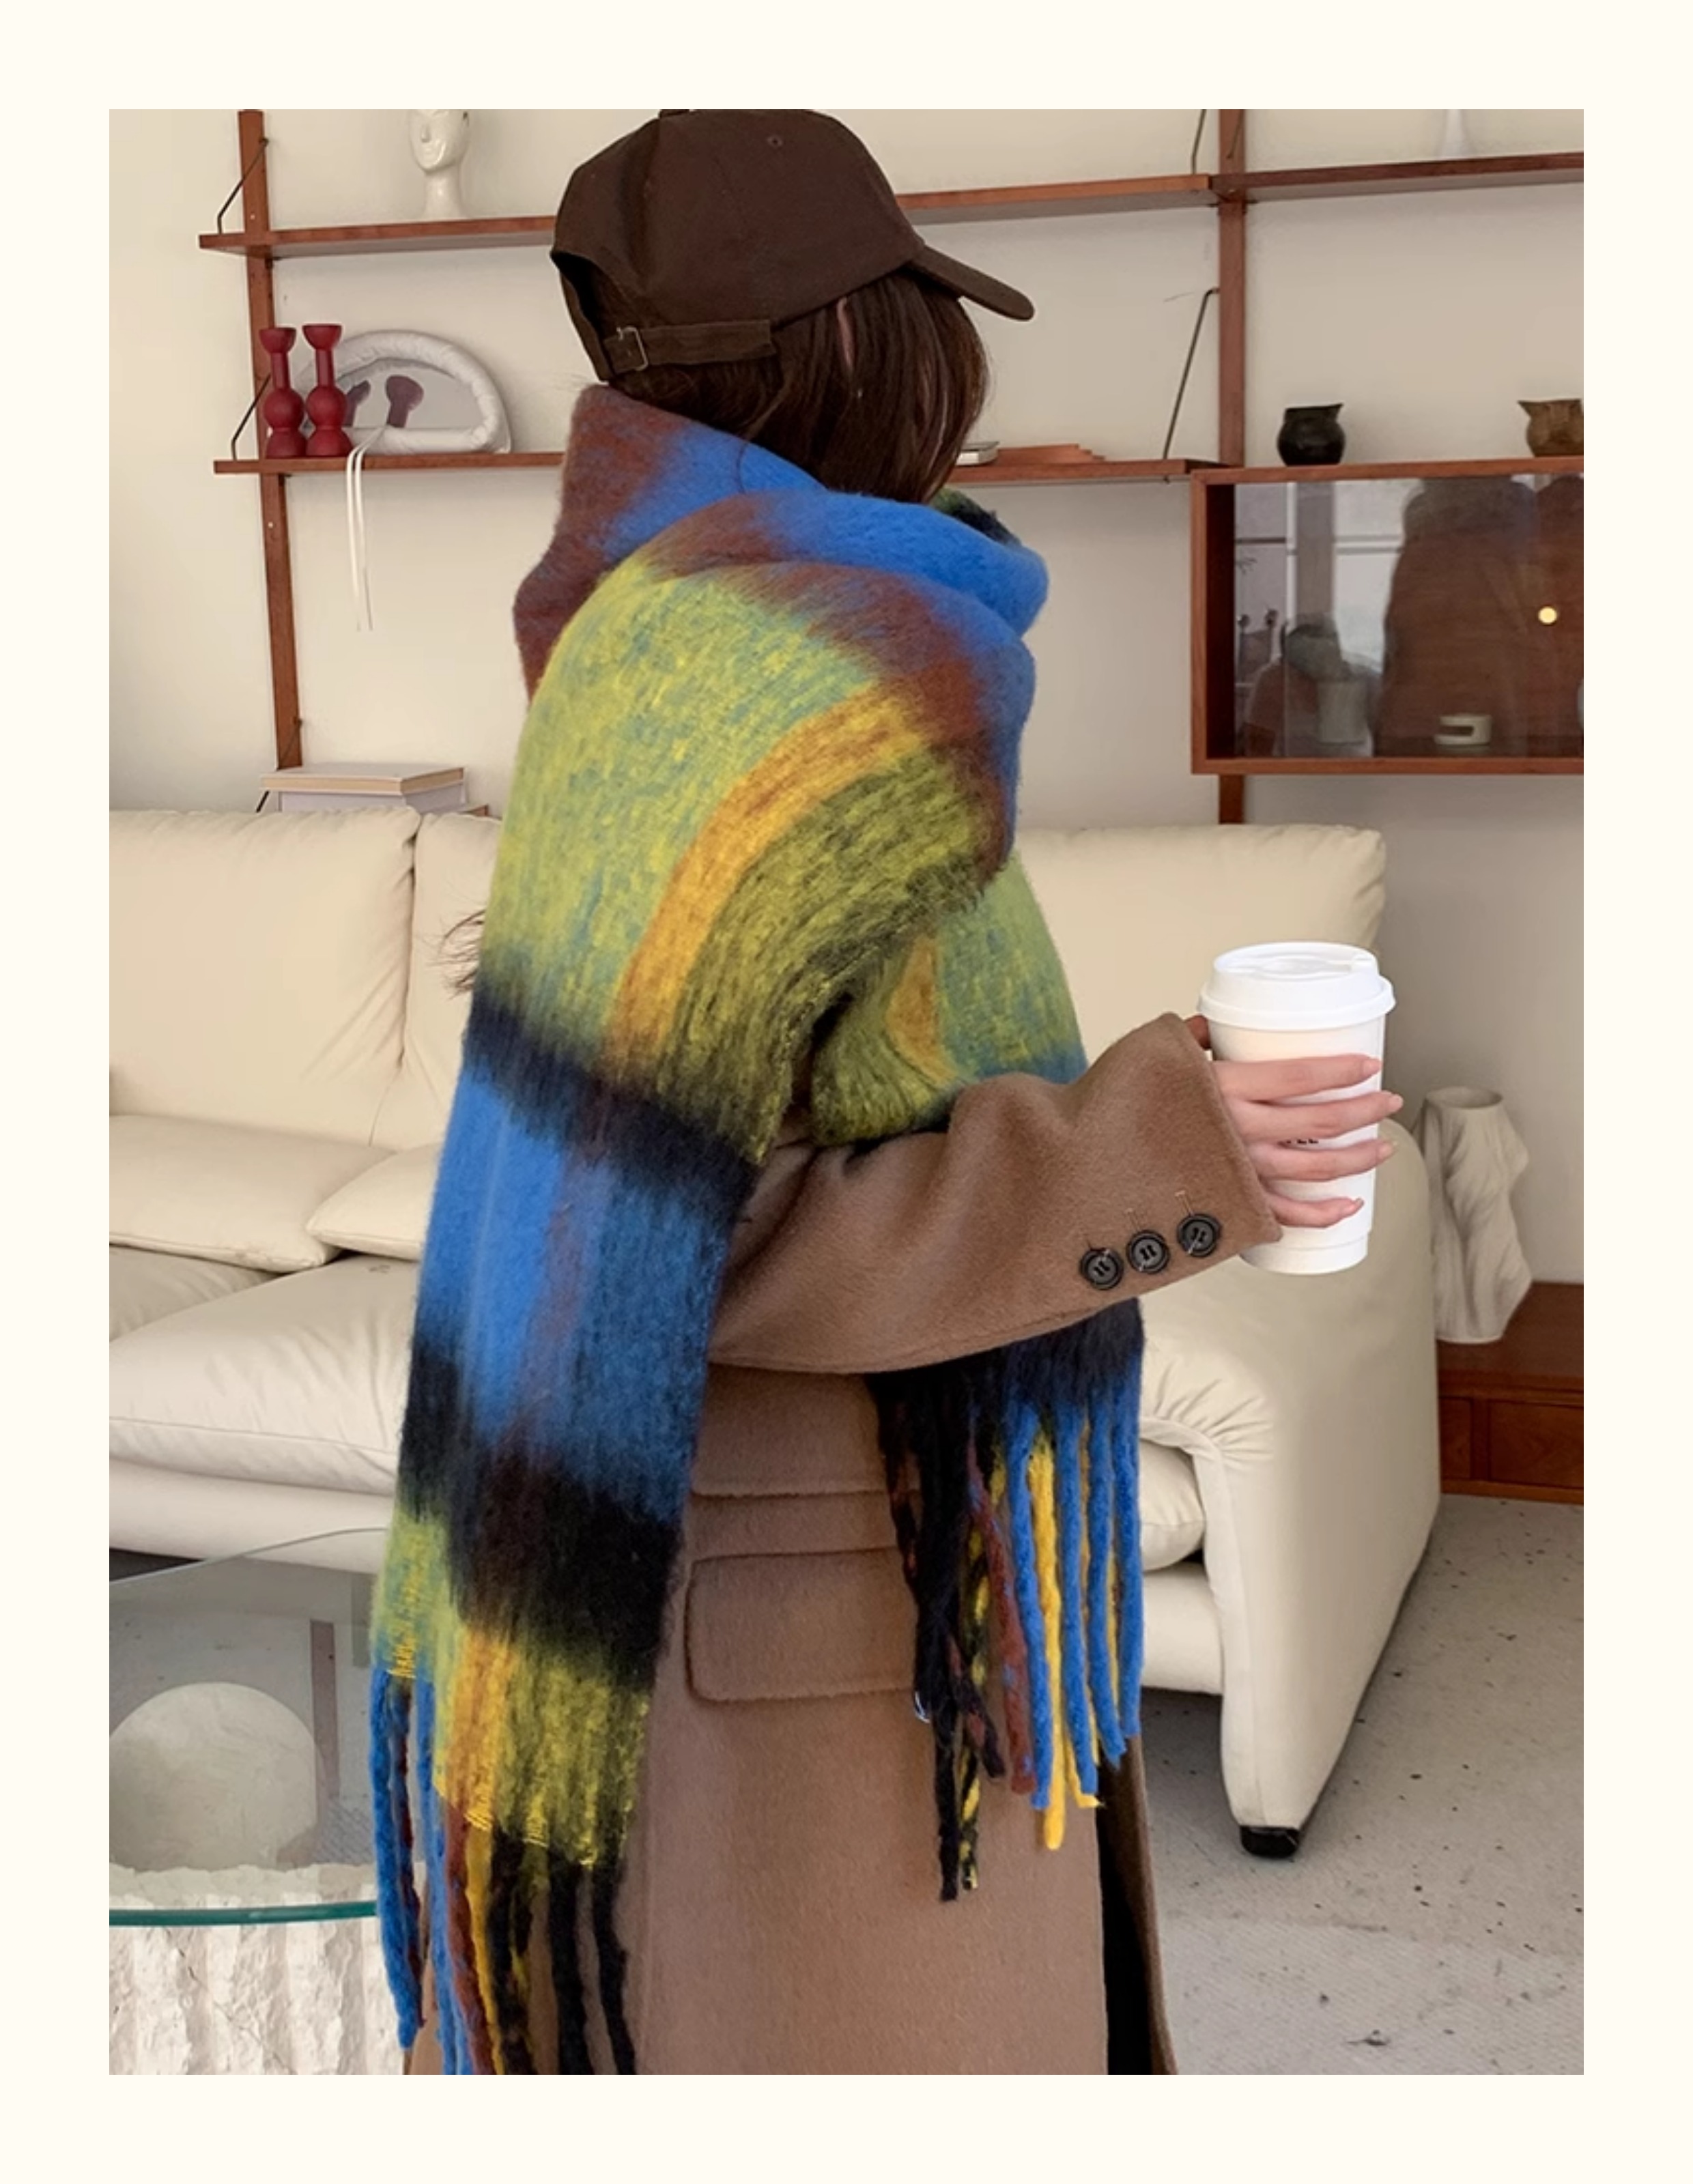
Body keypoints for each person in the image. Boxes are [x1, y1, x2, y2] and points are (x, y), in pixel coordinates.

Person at [370, 109, 1402, 2077]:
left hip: (879, 1570)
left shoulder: (712, 620)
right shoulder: (767, 658)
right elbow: (703, 1222)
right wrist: (1164, 1144)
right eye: (929, 319)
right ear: (860, 341)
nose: (957, 374)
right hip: (827, 1619)